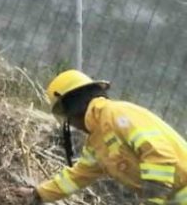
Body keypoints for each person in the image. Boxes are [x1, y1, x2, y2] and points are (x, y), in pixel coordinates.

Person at [17, 70, 187, 203]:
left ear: (74, 109)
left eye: (68, 117)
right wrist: (38, 194)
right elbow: (76, 177)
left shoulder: (117, 115)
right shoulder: (97, 142)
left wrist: (153, 200)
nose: (72, 124)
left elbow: (160, 155)